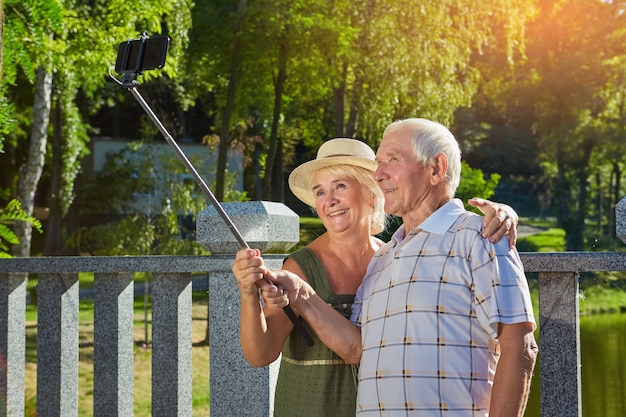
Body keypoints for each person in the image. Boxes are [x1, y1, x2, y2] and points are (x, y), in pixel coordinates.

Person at [232, 136, 522, 417]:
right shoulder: (301, 267)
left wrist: (505, 212)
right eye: (320, 191)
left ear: (373, 194)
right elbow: (260, 355)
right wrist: (248, 292)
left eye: (340, 186)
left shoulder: (392, 258)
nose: (329, 200)